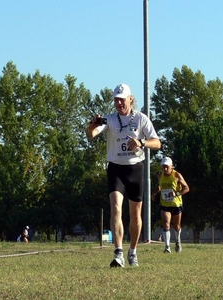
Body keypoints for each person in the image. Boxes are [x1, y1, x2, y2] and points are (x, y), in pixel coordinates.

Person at [86, 83, 161, 267]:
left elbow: (157, 142)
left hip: (135, 169)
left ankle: (133, 251)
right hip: (116, 169)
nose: (119, 103)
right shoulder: (109, 119)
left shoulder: (141, 119)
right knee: (116, 209)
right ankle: (118, 252)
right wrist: (91, 126)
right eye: (116, 100)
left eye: (122, 99)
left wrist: (141, 142)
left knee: (136, 215)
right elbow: (91, 135)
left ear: (130, 99)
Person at [152, 157, 189, 253]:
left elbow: (186, 188)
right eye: (163, 167)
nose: (165, 169)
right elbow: (160, 186)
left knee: (176, 226)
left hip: (176, 204)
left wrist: (176, 194)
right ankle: (167, 247)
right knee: (166, 224)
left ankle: (177, 241)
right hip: (165, 203)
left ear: (171, 166)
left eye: (167, 167)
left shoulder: (177, 175)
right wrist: (155, 193)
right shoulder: (160, 176)